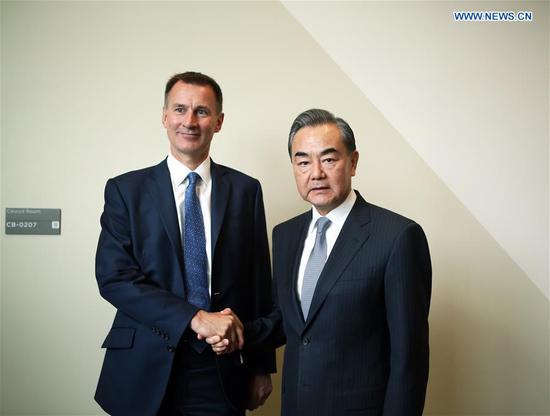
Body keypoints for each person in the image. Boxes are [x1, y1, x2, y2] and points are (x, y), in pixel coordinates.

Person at [210, 108, 432, 415]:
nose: (316, 173)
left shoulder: (398, 237)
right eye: (303, 162)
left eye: (329, 159)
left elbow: (410, 358)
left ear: (352, 162)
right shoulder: (285, 235)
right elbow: (288, 322)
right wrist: (238, 331)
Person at [94, 72, 274, 416]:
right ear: (164, 116)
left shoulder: (246, 190)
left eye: (202, 112)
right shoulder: (125, 191)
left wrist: (262, 365)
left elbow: (258, 285)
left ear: (218, 122)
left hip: (222, 371)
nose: (189, 121)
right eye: (180, 109)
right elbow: (114, 278)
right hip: (142, 366)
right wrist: (194, 318)